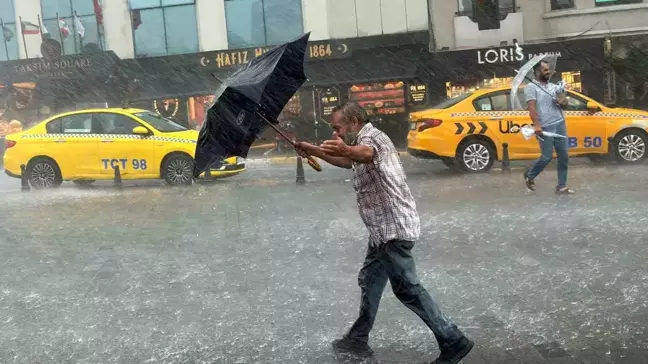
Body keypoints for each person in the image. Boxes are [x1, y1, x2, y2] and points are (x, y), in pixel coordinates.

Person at [295, 102, 473, 364]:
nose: (337, 133)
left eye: (338, 127)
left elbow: (365, 154)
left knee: (408, 289)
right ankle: (358, 337)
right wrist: (314, 150)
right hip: (381, 230)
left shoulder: (370, 138)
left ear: (354, 122)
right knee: (370, 279)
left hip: (393, 228)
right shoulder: (361, 139)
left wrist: (345, 148)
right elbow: (349, 161)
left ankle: (453, 340)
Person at [523, 60, 574, 194]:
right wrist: (537, 125)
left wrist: (562, 100)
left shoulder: (553, 87)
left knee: (563, 156)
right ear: (537, 72)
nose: (548, 72)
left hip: (559, 123)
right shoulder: (531, 87)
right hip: (545, 126)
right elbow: (532, 107)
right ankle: (530, 174)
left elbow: (565, 104)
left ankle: (561, 186)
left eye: (549, 69)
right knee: (546, 157)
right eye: (545, 70)